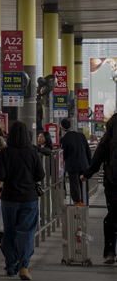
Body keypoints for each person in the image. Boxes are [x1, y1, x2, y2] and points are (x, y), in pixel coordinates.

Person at [0, 120, 45, 280]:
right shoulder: (32, 152)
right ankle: (24, 266)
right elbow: (40, 175)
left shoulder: (5, 152)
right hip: (29, 198)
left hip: (9, 198)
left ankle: (10, 266)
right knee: (26, 232)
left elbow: (0, 175)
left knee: (9, 231)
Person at [80, 113, 117, 264]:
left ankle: (109, 252)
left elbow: (96, 163)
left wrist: (85, 175)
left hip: (113, 185)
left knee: (112, 218)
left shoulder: (107, 141)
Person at [60, 118, 91, 204]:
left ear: (62, 128)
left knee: (74, 186)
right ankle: (85, 203)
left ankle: (77, 204)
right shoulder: (81, 136)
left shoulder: (63, 139)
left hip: (72, 166)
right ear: (71, 126)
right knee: (84, 185)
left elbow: (63, 155)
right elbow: (88, 151)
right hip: (84, 164)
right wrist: (89, 164)